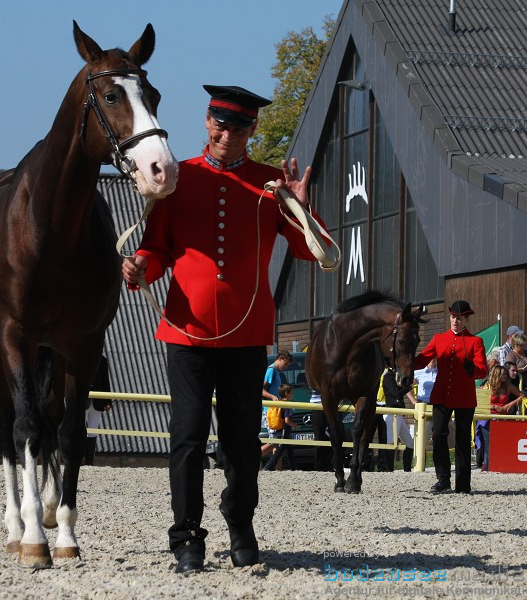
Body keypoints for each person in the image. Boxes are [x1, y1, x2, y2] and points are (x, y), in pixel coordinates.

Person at [121, 85, 330, 573]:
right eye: (219, 124)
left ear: (252, 131)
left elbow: (310, 251)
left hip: (246, 335)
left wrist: (302, 207)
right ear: (206, 123)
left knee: (240, 441)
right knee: (188, 438)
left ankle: (240, 521)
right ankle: (186, 535)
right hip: (186, 333)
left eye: (237, 127)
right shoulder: (178, 177)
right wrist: (139, 269)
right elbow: (156, 249)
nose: (225, 134)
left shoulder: (270, 184)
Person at [413, 300, 488, 494]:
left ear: (466, 320)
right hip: (441, 395)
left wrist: (473, 369)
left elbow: (483, 371)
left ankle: (462, 484)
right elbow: (422, 360)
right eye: (453, 317)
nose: (455, 320)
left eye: (459, 318)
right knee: (438, 435)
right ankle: (443, 479)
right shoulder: (439, 339)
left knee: (463, 440)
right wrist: (404, 363)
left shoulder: (475, 341)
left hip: (464, 397)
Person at [476, 365, 523, 469]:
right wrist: (494, 406)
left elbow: (522, 395)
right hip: (487, 418)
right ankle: (488, 468)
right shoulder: (486, 387)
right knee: (488, 446)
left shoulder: (508, 386)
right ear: (497, 375)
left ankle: (502, 466)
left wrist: (510, 404)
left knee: (503, 444)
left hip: (503, 418)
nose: (505, 377)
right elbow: (479, 401)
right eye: (503, 375)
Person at [380, 366, 416, 472]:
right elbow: (395, 393)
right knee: (391, 442)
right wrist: (409, 387)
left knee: (409, 443)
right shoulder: (388, 377)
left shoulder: (396, 377)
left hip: (399, 413)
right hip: (391, 413)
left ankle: (407, 470)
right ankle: (389, 470)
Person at [261, 351, 292, 459]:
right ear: (280, 359)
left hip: (275, 411)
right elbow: (261, 390)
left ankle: (275, 469)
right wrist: (273, 397)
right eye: (286, 364)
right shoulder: (271, 370)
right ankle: (251, 458)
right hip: (270, 411)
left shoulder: (276, 371)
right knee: (275, 441)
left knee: (277, 442)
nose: (286, 367)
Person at [84, 356, 113, 466]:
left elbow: (105, 380)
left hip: (97, 401)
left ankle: (89, 461)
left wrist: (108, 401)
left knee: (93, 430)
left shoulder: (102, 360)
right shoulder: (80, 356)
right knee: (80, 429)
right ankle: (79, 458)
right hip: (82, 400)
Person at [262, 384, 298, 471]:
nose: (293, 395)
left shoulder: (280, 403)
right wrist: (295, 425)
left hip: (280, 429)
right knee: (279, 451)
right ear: (286, 393)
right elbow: (287, 420)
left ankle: (294, 468)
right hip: (284, 431)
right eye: (291, 393)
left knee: (289, 450)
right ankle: (268, 467)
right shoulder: (287, 405)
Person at [309, 388, 332, 471]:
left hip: (332, 405)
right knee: (319, 438)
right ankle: (319, 467)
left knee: (334, 437)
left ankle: (331, 464)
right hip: (317, 405)